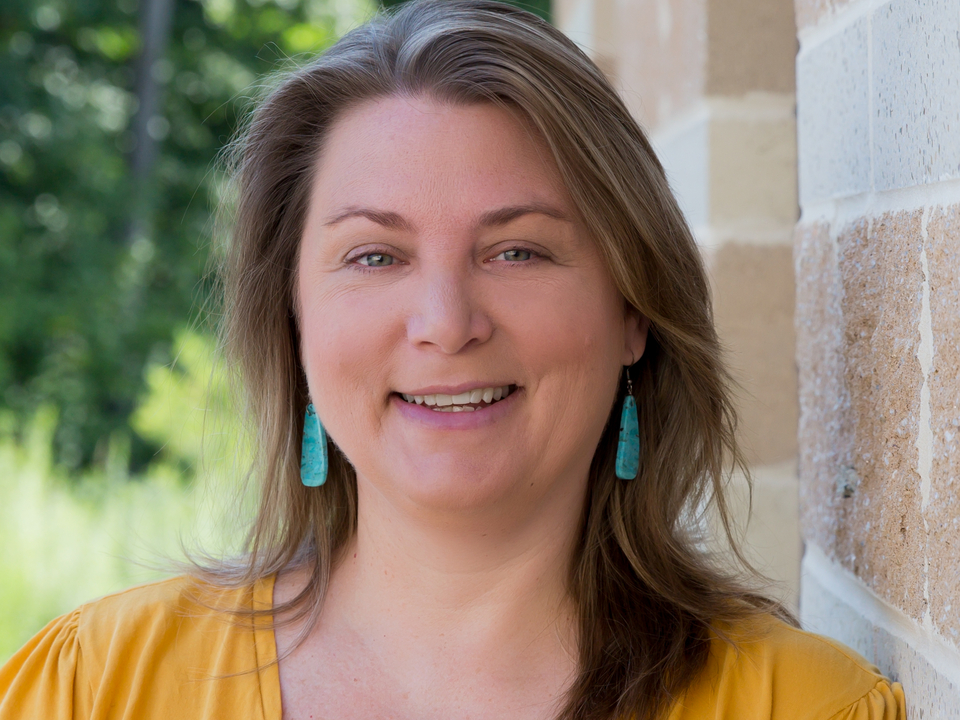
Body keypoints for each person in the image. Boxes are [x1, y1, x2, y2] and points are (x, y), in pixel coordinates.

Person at [0, 1, 906, 718]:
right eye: (374, 257)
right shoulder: (98, 690)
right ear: (296, 327)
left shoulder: (801, 708)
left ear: (635, 311)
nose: (445, 322)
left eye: (517, 250)